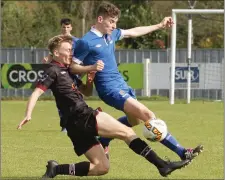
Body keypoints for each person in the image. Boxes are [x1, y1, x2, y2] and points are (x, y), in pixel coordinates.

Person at [17, 35, 190, 179]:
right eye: (68, 50)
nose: (72, 52)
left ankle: (56, 169)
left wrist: (90, 80)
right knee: (127, 132)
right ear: (56, 52)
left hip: (73, 126)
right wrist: (28, 114)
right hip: (81, 115)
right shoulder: (52, 70)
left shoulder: (67, 71)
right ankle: (162, 165)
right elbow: (36, 93)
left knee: (101, 167)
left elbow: (86, 92)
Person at [70, 2, 203, 160]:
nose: (114, 25)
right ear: (100, 19)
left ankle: (104, 139)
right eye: (111, 21)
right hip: (109, 90)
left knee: (136, 120)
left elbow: (133, 32)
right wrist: (90, 67)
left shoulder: (110, 35)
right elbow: (72, 67)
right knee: (148, 114)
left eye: (115, 22)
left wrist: (159, 25)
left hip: (122, 85)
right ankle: (182, 152)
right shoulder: (86, 41)